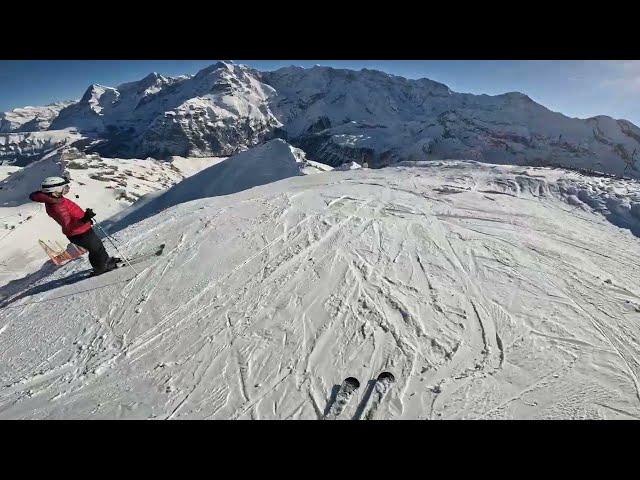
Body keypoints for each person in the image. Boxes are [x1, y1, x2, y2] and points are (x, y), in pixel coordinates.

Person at [29, 176, 120, 275]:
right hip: (79, 233)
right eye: (64, 188)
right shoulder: (57, 207)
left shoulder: (56, 199)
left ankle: (105, 262)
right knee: (95, 249)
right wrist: (84, 219)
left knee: (98, 246)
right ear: (55, 191)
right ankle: (101, 268)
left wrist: (85, 219)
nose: (66, 190)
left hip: (82, 229)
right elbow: (68, 226)